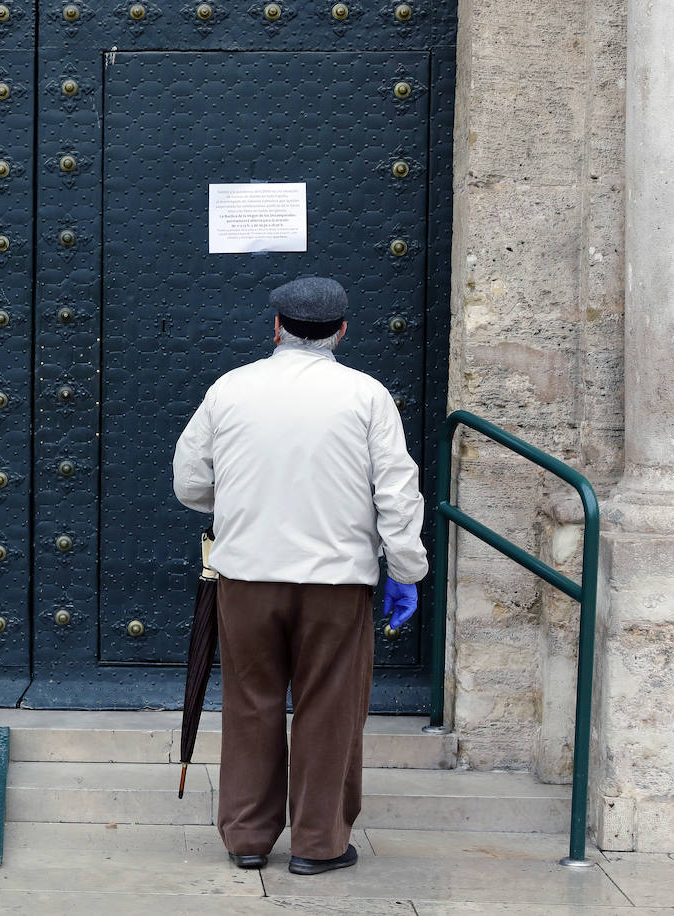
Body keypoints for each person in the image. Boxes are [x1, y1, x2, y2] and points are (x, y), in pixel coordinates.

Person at [171, 276, 428, 875]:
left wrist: (238, 501)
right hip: (336, 581)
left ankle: (248, 838)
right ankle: (319, 843)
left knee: (252, 703)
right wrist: (406, 570)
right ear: (341, 331)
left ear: (277, 328)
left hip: (247, 576)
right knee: (330, 706)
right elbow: (396, 491)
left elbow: (189, 482)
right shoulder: (367, 396)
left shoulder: (230, 388)